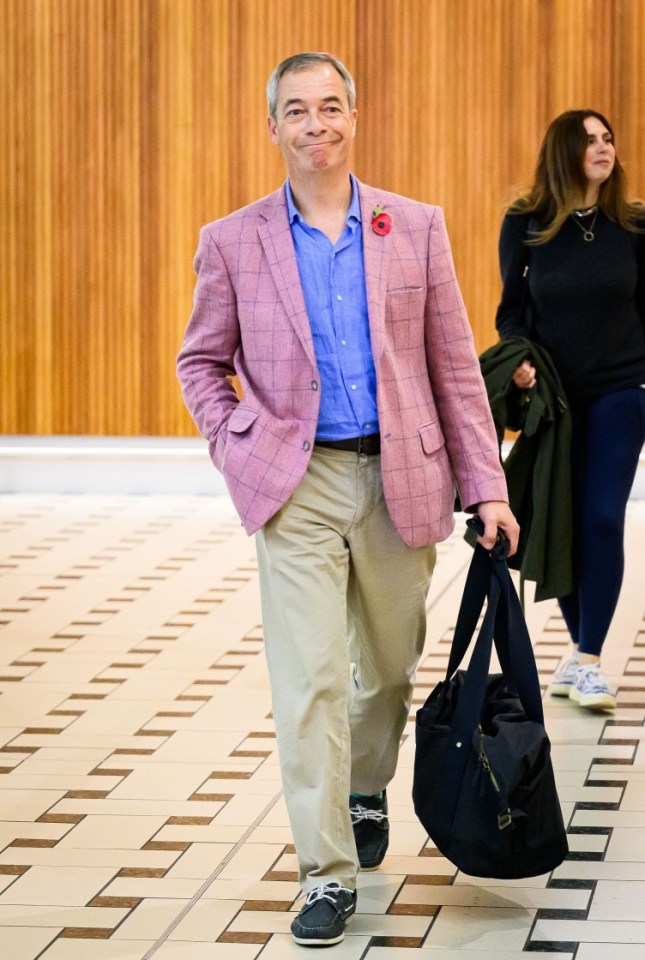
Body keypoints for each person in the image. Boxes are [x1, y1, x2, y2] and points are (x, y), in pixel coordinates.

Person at [177, 51, 519, 948]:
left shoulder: (411, 226)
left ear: (353, 117)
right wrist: (236, 440)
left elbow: (453, 365)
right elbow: (199, 362)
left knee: (388, 673)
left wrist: (485, 485)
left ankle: (366, 789)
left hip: (400, 477)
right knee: (312, 683)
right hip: (297, 483)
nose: (315, 124)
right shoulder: (234, 239)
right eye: (297, 110)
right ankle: (324, 874)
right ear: (274, 127)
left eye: (330, 107)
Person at [495, 109, 645, 713]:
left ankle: (588, 658)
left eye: (607, 138)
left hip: (621, 392)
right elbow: (512, 311)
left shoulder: (633, 226)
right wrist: (521, 362)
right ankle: (580, 651)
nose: (603, 147)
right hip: (553, 398)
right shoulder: (526, 223)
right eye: (589, 140)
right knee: (564, 521)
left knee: (603, 519)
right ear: (563, 151)